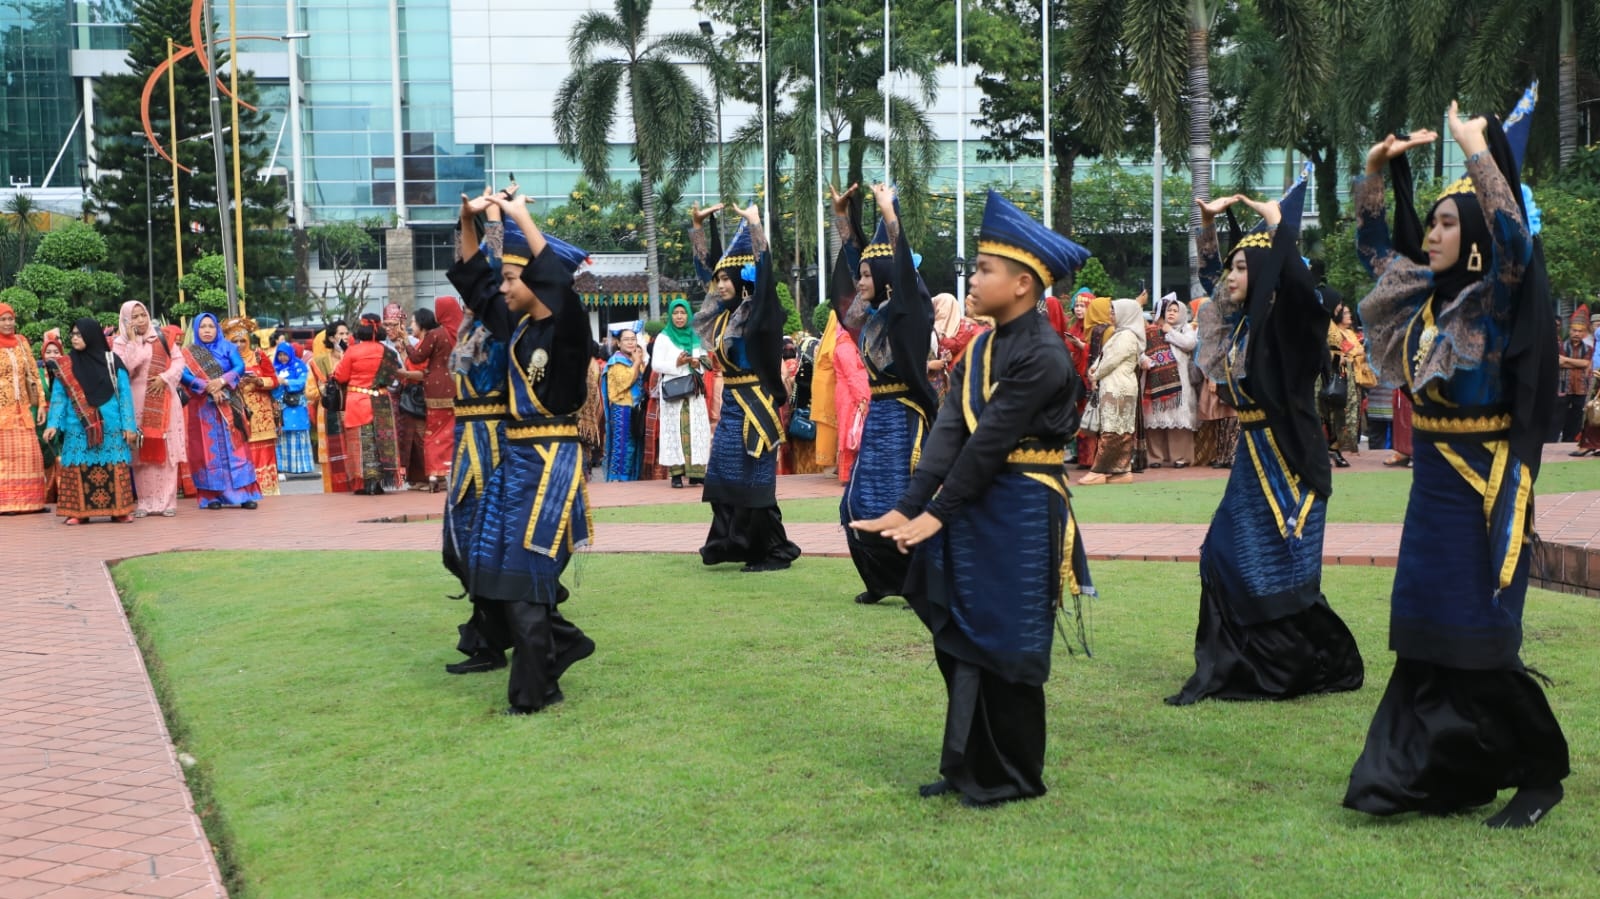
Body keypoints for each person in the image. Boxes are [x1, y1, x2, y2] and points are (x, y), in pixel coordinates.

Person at [1344, 100, 1568, 828]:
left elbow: (1516, 243)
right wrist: (1376, 173)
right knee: (1426, 631)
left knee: (1481, 637)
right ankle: (1421, 773)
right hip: (1432, 491)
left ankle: (1539, 775)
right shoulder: (1421, 299)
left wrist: (1478, 150)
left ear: (1470, 237)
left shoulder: (1492, 303)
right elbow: (1373, 243)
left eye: (1445, 223)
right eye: (1432, 220)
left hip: (1485, 493)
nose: (1432, 233)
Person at [851, 188, 1094, 808]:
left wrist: (935, 514)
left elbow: (989, 445)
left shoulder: (1043, 353)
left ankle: (1012, 772)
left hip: (1020, 507)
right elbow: (950, 433)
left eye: (985, 269)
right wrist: (907, 506)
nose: (973, 277)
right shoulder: (981, 346)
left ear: (1022, 284)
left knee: (1006, 637)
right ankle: (967, 764)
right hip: (977, 500)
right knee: (957, 627)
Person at [1166, 171, 1364, 706]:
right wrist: (1208, 227)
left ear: (1264, 272)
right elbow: (1210, 277)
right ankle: (1243, 661)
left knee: (1272, 563)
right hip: (1254, 456)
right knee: (1222, 554)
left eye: (1240, 266)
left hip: (1291, 462)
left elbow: (1298, 288)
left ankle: (1291, 664)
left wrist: (1280, 225)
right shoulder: (1239, 325)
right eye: (1231, 264)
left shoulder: (1291, 322)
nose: (1229, 274)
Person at [454, 186, 597, 714]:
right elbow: (475, 281)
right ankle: (562, 647)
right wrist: (468, 220)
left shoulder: (567, 329)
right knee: (494, 572)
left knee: (523, 579)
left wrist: (516, 216)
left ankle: (532, 692)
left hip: (550, 463)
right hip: (514, 462)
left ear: (537, 281)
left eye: (514, 278)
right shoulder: (516, 325)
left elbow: (558, 283)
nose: (504, 286)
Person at [839, 183, 938, 605]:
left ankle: (920, 583)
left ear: (885, 279)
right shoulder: (871, 316)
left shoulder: (907, 314)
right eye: (860, 275)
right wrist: (843, 218)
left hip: (905, 419)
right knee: (855, 504)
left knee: (903, 503)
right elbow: (854, 264)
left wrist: (889, 213)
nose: (859, 281)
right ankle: (881, 582)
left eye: (866, 275)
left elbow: (900, 269)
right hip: (879, 418)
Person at [692, 203, 803, 572]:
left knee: (755, 482)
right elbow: (701, 273)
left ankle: (772, 551)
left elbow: (766, 275)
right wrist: (697, 229)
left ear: (744, 280)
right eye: (720, 278)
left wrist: (756, 224)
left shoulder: (760, 312)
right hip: (731, 405)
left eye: (728, 278)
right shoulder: (722, 316)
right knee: (722, 477)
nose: (721, 284)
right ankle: (730, 543)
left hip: (756, 404)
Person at [44, 318, 138, 524]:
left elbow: (124, 394)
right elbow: (59, 396)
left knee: (114, 464)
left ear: (91, 335)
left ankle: (119, 510)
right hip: (78, 425)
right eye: (73, 334)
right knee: (78, 465)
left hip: (111, 425)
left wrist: (129, 426)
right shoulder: (66, 364)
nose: (75, 338)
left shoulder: (113, 361)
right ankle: (79, 513)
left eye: (79, 334)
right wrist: (53, 424)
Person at [179, 313, 262, 510]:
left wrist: (222, 382)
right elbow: (183, 375)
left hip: (229, 403)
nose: (207, 330)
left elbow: (239, 366)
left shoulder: (227, 347)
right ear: (197, 330)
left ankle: (245, 494)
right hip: (203, 408)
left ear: (217, 329)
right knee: (208, 450)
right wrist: (207, 386)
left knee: (236, 447)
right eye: (203, 327)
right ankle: (211, 496)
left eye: (211, 326)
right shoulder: (188, 353)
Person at [113, 300, 186, 517]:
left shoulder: (162, 337)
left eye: (142, 315)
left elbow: (179, 362)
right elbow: (126, 367)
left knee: (166, 449)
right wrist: (134, 342)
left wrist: (164, 378)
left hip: (164, 399)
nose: (140, 320)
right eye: (134, 317)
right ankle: (145, 502)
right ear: (125, 320)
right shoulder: (119, 344)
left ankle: (168, 501)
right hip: (136, 402)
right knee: (141, 453)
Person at [1078, 299, 1144, 485]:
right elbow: (1105, 357)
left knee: (1112, 430)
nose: (1111, 315)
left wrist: (1095, 373)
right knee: (1118, 429)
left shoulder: (1127, 336)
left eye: (1114, 312)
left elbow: (1111, 361)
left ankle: (1099, 471)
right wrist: (1095, 369)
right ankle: (1121, 470)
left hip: (1119, 388)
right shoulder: (1120, 334)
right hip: (1117, 386)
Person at [333, 320, 402, 495]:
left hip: (358, 402)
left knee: (362, 441)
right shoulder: (388, 352)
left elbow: (340, 376)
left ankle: (365, 483)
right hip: (382, 401)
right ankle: (378, 482)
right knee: (381, 441)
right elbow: (394, 375)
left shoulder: (352, 351)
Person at [651, 297, 711, 487]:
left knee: (696, 429)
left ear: (688, 314)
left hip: (693, 389)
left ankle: (696, 473)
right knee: (674, 429)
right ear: (670, 315)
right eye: (675, 313)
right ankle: (676, 474)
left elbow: (706, 361)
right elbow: (656, 364)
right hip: (673, 389)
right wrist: (677, 363)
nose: (679, 317)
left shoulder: (696, 335)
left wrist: (696, 362)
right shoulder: (663, 337)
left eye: (683, 313)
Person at [0, 301, 48, 514]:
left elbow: (33, 374)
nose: (8, 323)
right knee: (4, 455)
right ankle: (5, 503)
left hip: (23, 408)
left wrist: (41, 404)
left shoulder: (21, 342)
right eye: (3, 319)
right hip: (2, 408)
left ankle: (30, 502)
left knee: (30, 454)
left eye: (11, 319)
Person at [1141, 294, 1198, 468]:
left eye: (1175, 310)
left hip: (1179, 382)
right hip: (1154, 380)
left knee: (1178, 419)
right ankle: (1155, 457)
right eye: (1169, 310)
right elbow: (1139, 348)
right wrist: (1143, 359)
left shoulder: (1185, 329)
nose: (1172, 313)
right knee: (1155, 419)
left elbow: (1190, 344)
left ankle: (1181, 457)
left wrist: (1170, 332)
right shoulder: (1151, 330)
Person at [224, 318, 280, 494]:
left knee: (264, 454)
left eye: (243, 341)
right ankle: (245, 491)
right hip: (237, 413)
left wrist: (258, 381)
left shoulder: (258, 355)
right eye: (235, 341)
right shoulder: (225, 359)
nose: (240, 344)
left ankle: (267, 490)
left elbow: (275, 381)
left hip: (261, 415)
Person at [404, 304, 457, 491]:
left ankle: (434, 474)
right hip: (455, 387)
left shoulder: (437, 334)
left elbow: (418, 358)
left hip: (435, 389)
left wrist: (405, 342)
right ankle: (450, 471)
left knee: (433, 433)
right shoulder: (459, 333)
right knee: (450, 433)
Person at [1073, 295, 1114, 470]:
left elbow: (1099, 354)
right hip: (1097, 380)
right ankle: (1094, 459)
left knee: (1091, 419)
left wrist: (1082, 347)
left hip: (1093, 379)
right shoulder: (1105, 330)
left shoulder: (1101, 331)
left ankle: (1089, 459)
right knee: (1097, 420)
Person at [1322, 300, 1365, 467]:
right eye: (1344, 311)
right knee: (1332, 416)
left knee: (1344, 415)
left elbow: (1354, 351)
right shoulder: (1333, 330)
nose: (1348, 315)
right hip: (1332, 377)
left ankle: (1334, 448)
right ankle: (1331, 449)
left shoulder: (1349, 333)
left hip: (1348, 378)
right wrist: (1347, 355)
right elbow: (1351, 351)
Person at [312, 322, 353, 494]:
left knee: (352, 450)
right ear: (331, 338)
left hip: (351, 409)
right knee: (331, 456)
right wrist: (325, 389)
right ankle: (332, 494)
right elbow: (309, 392)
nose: (345, 337)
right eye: (340, 334)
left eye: (346, 333)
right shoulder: (319, 362)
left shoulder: (353, 356)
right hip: (329, 412)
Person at [602, 327, 647, 481]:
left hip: (635, 409)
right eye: (626, 339)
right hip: (622, 408)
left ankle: (632, 479)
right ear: (619, 343)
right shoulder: (616, 361)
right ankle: (618, 479)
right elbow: (625, 381)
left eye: (633, 339)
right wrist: (636, 364)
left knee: (633, 447)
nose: (630, 342)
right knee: (621, 447)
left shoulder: (635, 358)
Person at [271, 340, 314, 476]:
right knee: (282, 435)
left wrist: (286, 381)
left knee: (297, 433)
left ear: (291, 354)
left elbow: (302, 382)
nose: (282, 358)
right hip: (280, 407)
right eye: (280, 355)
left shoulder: (299, 366)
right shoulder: (274, 368)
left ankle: (299, 466)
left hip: (296, 406)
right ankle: (283, 466)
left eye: (285, 355)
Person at [1557, 308, 1592, 445]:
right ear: (1570, 330)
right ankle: (1557, 445)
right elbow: (1558, 362)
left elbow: (1586, 363)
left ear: (1584, 333)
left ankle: (1571, 443)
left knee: (1577, 417)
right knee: (1559, 416)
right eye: (1574, 330)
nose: (1576, 333)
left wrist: (1566, 361)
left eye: (1580, 331)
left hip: (1581, 388)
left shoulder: (1588, 349)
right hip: (1563, 386)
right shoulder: (1561, 345)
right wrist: (1579, 364)